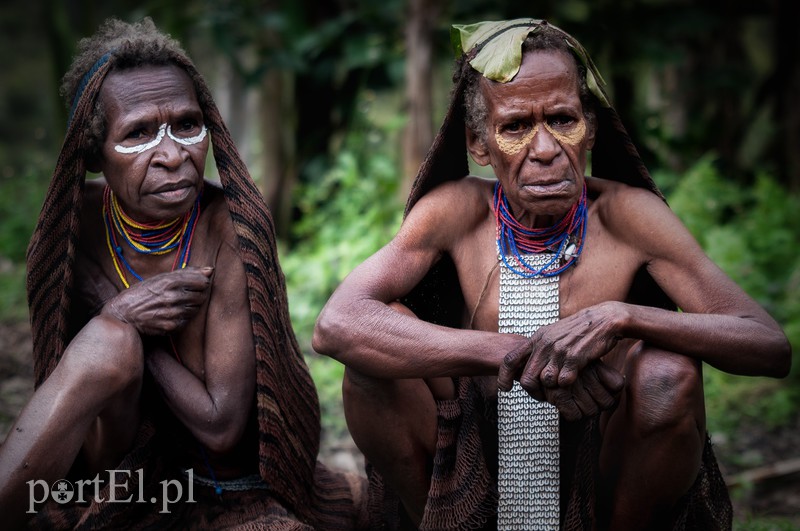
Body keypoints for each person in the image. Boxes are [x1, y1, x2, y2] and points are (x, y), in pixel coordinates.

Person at [312, 18, 791, 530]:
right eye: (516, 127)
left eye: (563, 119)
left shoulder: (630, 216)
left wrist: (622, 318)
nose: (544, 150)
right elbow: (337, 324)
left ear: (591, 127)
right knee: (373, 357)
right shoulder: (455, 211)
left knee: (667, 373)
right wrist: (512, 351)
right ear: (478, 143)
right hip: (472, 465)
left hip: (605, 467)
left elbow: (767, 344)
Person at [0, 17, 368, 529]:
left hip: (227, 491)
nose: (173, 156)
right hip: (114, 479)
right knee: (107, 343)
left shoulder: (230, 231)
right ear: (93, 152)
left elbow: (220, 427)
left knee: (111, 335)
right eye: (138, 133)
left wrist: (123, 317)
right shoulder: (72, 226)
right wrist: (118, 319)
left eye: (188, 126)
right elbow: (66, 390)